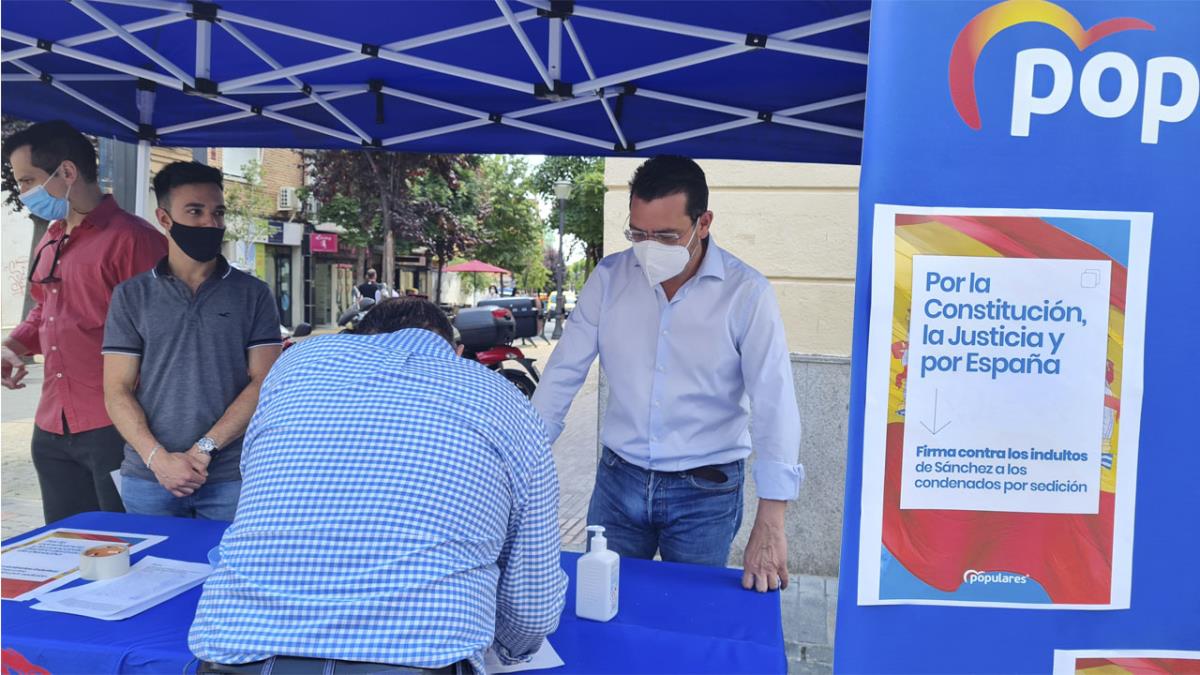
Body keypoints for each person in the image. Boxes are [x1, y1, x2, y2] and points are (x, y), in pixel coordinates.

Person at [190, 298, 566, 674]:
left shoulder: (296, 364)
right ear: (456, 351)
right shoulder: (501, 396)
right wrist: (509, 649)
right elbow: (533, 605)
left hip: (237, 654)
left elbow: (255, 473)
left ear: (361, 334)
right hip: (418, 661)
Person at [532, 155, 803, 592]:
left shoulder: (746, 293)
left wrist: (772, 519)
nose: (648, 248)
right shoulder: (610, 278)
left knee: (692, 614)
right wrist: (522, 456)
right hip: (618, 480)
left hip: (705, 490)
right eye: (637, 233)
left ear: (704, 222)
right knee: (603, 606)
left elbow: (775, 402)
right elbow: (563, 371)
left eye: (666, 236)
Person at [1, 120, 166, 523]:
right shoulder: (52, 238)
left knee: (123, 547)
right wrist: (13, 345)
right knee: (64, 548)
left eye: (28, 181)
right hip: (52, 426)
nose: (23, 195)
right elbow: (47, 308)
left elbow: (166, 333)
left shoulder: (135, 240)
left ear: (68, 172)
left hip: (115, 424)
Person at [102, 161, 281, 521]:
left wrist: (204, 449)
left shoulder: (254, 294)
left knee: (227, 574)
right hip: (150, 476)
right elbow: (116, 389)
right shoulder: (131, 296)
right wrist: (159, 459)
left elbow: (265, 381)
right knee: (151, 575)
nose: (210, 223)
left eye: (218, 212)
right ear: (164, 218)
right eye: (195, 211)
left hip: (231, 475)